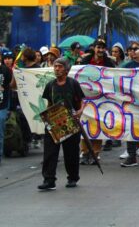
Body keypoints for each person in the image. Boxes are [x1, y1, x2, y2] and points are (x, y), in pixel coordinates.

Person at [38, 58, 84, 190]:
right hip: (54, 123)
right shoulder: (50, 85)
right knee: (50, 152)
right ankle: (49, 180)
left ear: (66, 69)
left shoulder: (73, 84)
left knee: (71, 152)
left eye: (59, 66)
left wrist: (79, 112)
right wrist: (48, 118)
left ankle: (72, 178)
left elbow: (81, 102)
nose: (56, 69)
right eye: (55, 66)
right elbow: (49, 105)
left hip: (70, 122)